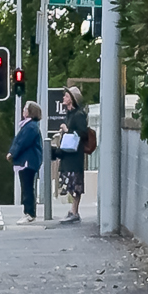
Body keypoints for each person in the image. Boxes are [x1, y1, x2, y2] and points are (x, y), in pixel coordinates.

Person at [54, 88, 90, 223]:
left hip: (75, 154)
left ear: (72, 99)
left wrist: (67, 130)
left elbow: (83, 133)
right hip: (68, 154)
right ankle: (73, 210)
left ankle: (74, 210)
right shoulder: (69, 114)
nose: (63, 97)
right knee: (69, 182)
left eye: (66, 96)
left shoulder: (78, 115)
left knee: (75, 183)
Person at [9, 101, 43, 220]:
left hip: (27, 161)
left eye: (25, 109)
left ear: (30, 112)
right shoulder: (30, 126)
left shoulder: (30, 127)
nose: (23, 111)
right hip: (28, 161)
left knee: (27, 187)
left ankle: (29, 213)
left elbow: (22, 142)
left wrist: (12, 153)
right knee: (27, 187)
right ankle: (28, 212)